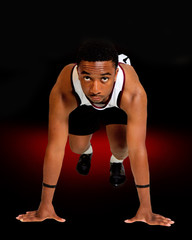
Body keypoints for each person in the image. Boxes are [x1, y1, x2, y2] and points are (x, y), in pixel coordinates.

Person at [16, 40, 174, 226]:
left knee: (122, 148)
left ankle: (116, 162)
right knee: (76, 147)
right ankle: (86, 152)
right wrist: (45, 204)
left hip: (116, 103)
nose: (95, 89)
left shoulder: (133, 93)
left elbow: (138, 149)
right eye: (87, 77)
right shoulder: (65, 87)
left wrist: (146, 208)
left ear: (116, 74)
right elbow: (55, 148)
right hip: (82, 103)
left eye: (104, 78)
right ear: (78, 71)